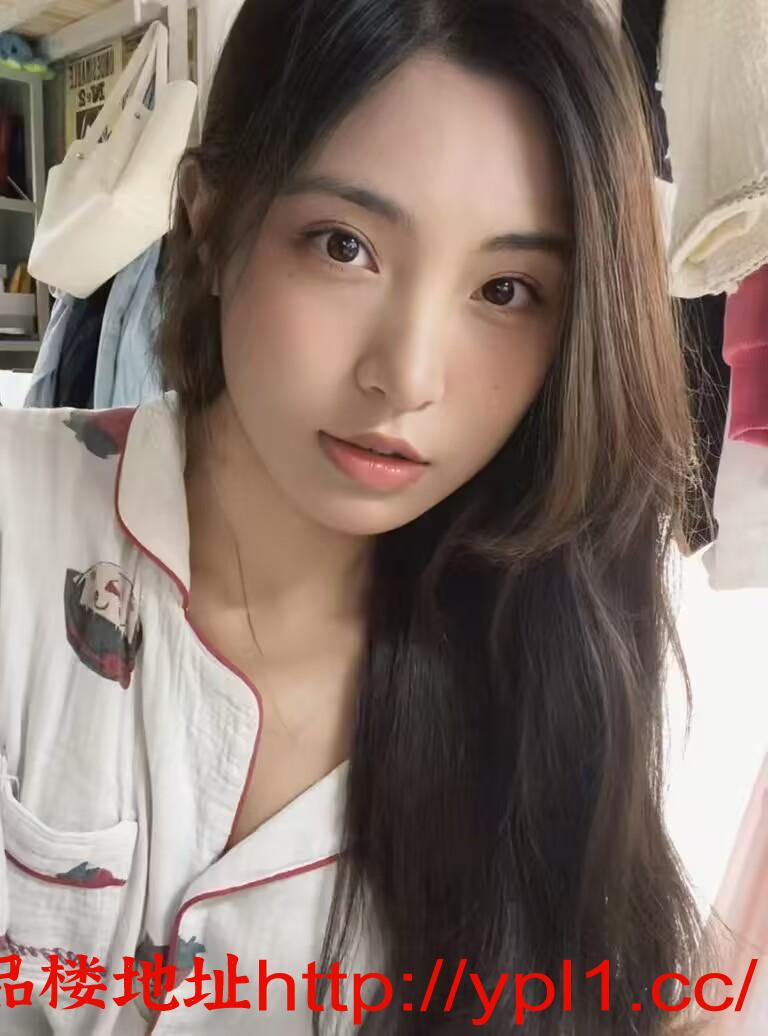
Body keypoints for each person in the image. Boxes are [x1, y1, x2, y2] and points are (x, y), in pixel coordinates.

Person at [0, 0, 720, 1032]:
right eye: (344, 245)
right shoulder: (20, 532)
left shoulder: (563, 659)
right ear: (210, 217)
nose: (408, 376)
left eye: (506, 290)